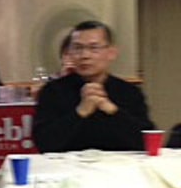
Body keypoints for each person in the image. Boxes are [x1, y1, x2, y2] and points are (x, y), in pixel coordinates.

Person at [33, 20, 154, 152]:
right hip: (69, 169)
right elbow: (43, 144)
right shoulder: (53, 91)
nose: (85, 55)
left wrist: (112, 110)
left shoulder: (129, 92)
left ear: (111, 53)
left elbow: (147, 142)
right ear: (69, 53)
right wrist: (80, 112)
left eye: (94, 48)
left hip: (119, 168)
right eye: (77, 48)